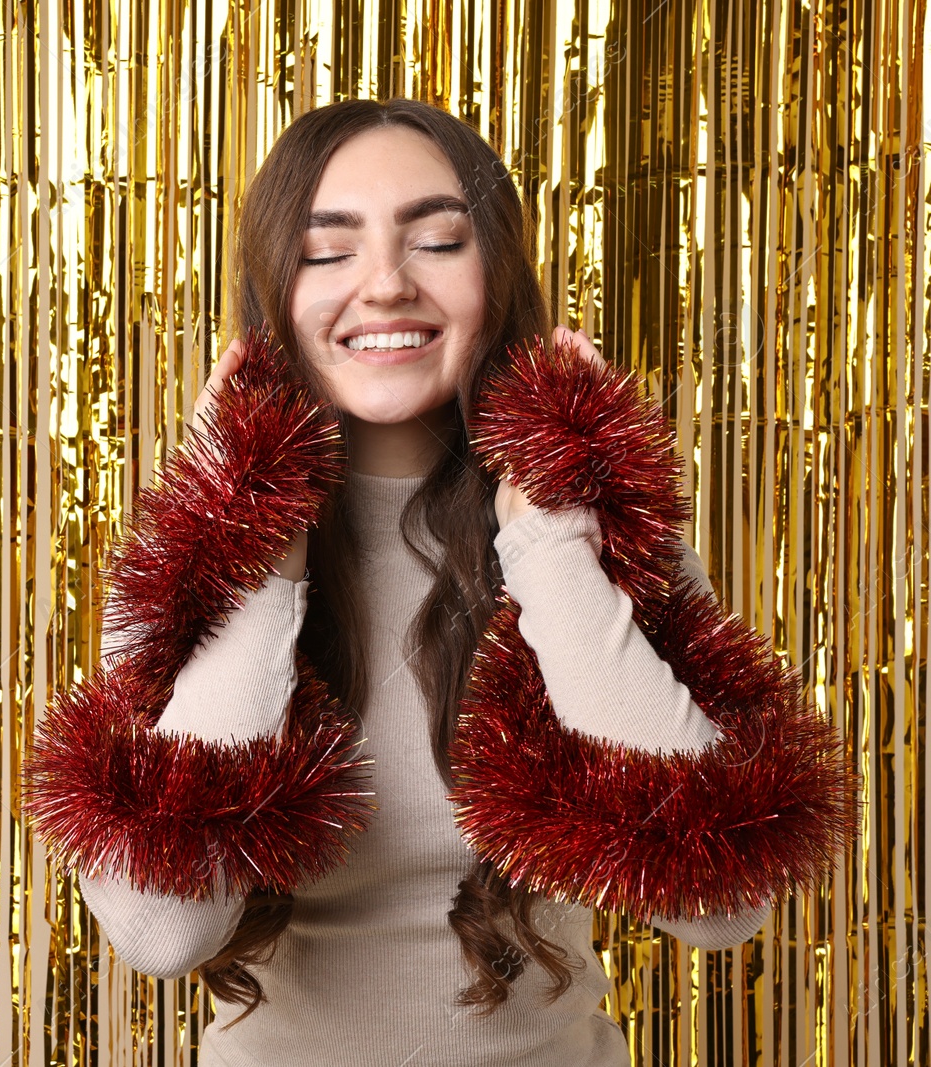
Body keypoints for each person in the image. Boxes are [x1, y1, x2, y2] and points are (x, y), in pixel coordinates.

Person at [74, 97, 772, 1066]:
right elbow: (161, 930)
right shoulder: (189, 551)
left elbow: (722, 904)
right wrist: (253, 553)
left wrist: (554, 555)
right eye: (328, 250)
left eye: (436, 240)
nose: (386, 284)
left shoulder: (610, 528)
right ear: (275, 288)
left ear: (497, 273)